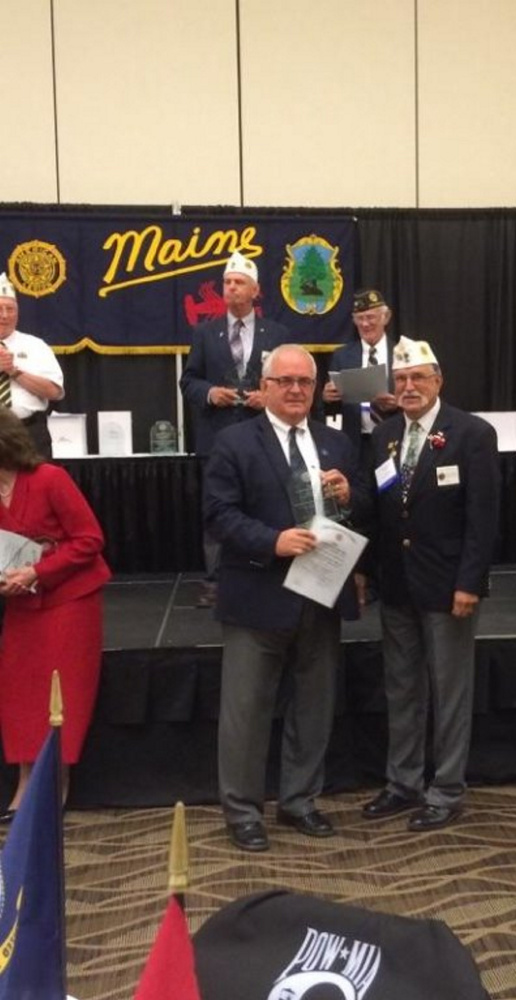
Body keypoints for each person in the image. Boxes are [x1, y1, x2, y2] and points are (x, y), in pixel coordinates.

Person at [203, 344, 371, 852]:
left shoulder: (337, 443)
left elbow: (362, 507)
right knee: (246, 711)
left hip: (321, 594)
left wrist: (350, 496)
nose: (296, 390)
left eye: (305, 382)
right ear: (266, 386)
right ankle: (243, 811)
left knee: (314, 707)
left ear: (316, 389)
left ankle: (300, 801)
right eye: (285, 382)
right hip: (258, 595)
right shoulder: (234, 442)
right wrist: (271, 541)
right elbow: (218, 515)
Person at [361, 336, 500, 831]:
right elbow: (380, 512)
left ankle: (446, 789)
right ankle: (403, 783)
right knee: (402, 689)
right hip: (397, 586)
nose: (409, 386)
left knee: (450, 691)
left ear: (438, 380)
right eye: (400, 379)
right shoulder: (384, 436)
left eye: (418, 377)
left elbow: (484, 519)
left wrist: (470, 582)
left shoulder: (471, 434)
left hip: (449, 588)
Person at [0, 408, 111, 821]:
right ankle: (25, 781)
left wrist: (38, 571)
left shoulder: (50, 479)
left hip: (70, 600)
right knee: (18, 691)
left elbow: (90, 539)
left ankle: (55, 783)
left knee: (60, 691)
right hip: (22, 603)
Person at [180, 251, 290, 607]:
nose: (230, 288)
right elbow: (189, 380)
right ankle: (215, 580)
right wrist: (211, 393)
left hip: (264, 433)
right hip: (218, 436)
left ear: (255, 290)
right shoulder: (204, 333)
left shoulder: (278, 333)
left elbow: (291, 381)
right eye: (227, 282)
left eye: (238, 282)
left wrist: (268, 397)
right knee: (218, 507)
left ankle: (268, 568)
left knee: (266, 503)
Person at [322, 288, 398, 471]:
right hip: (355, 442)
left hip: (393, 438)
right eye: (359, 318)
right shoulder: (341, 356)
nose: (365, 324)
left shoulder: (401, 353)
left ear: (385, 317)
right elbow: (329, 410)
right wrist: (326, 398)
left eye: (371, 317)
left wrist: (398, 404)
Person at [0, 271, 65, 460]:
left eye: (10, 309)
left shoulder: (36, 346)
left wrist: (14, 371)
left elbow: (53, 392)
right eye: (0, 309)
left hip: (29, 433)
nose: (4, 315)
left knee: (34, 485)